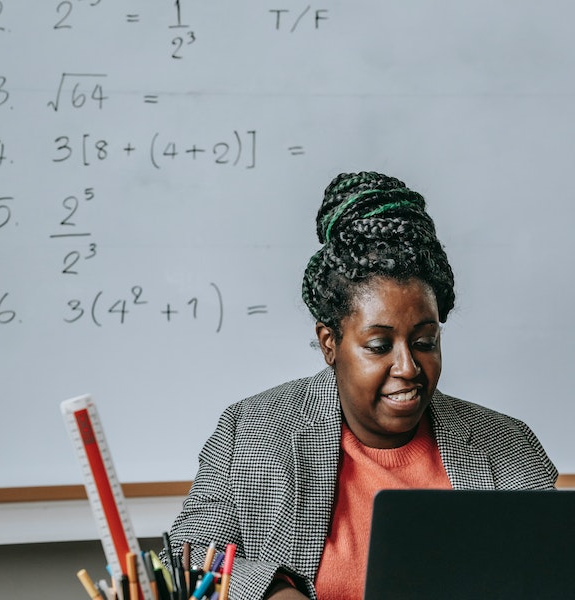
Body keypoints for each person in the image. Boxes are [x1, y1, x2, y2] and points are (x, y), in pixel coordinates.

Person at [164, 171, 557, 599]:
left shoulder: (507, 446)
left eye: (425, 341)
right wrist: (272, 589)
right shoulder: (253, 431)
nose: (408, 366)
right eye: (378, 345)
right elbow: (183, 560)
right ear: (330, 343)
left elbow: (551, 573)